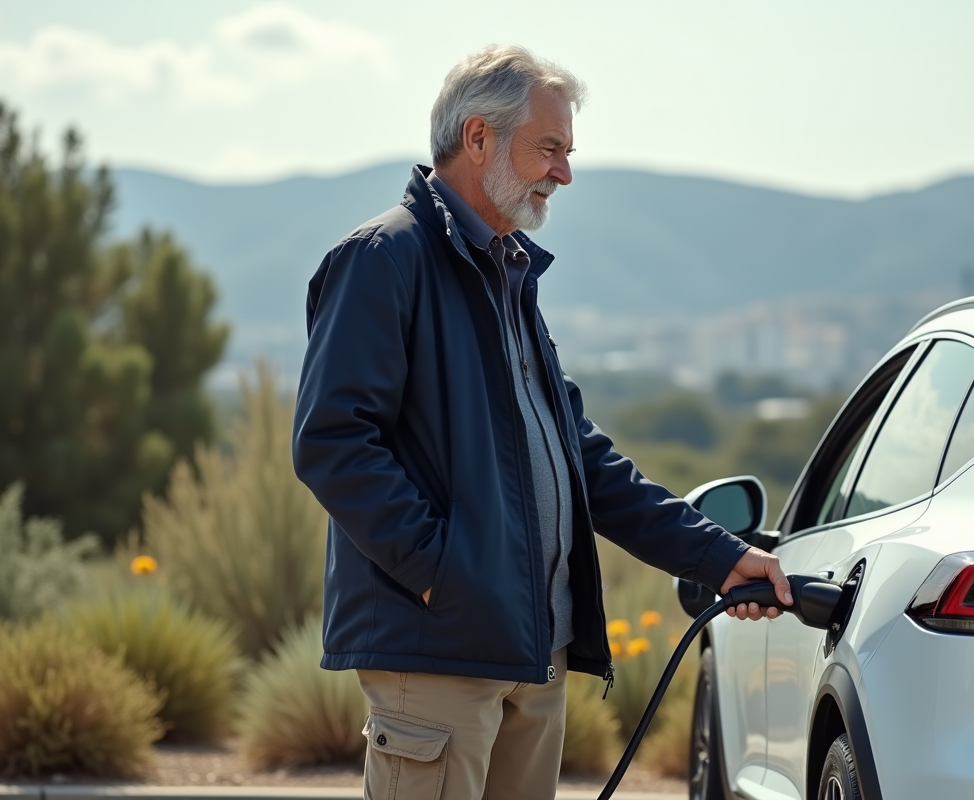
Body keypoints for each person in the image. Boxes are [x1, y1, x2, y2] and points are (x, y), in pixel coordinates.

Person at [292, 44, 791, 800]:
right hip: (440, 651)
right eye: (549, 149)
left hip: (533, 653)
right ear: (479, 138)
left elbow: (579, 458)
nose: (564, 173)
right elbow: (331, 442)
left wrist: (716, 555)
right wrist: (440, 573)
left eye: (567, 152)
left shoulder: (509, 271)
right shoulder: (384, 258)